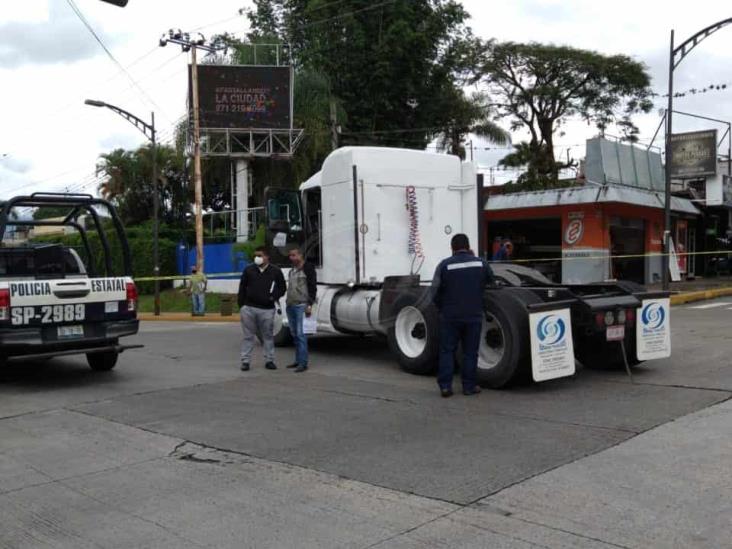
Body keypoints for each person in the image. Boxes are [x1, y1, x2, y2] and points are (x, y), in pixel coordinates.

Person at [431, 233, 494, 398]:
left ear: (452, 248)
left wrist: (441, 308)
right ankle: (469, 387)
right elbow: (491, 281)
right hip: (473, 316)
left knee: (447, 351)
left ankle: (445, 387)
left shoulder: (444, 265)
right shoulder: (481, 263)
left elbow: (434, 292)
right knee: (470, 352)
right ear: (469, 246)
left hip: (450, 316)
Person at [237, 246, 286, 372]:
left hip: (267, 309)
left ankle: (269, 360)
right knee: (248, 336)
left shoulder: (275, 271)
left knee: (268, 336)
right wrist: (242, 305)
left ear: (267, 256)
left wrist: (273, 297)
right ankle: (245, 361)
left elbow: (282, 287)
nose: (257, 258)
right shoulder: (249, 270)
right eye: (256, 255)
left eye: (259, 255)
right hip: (249, 308)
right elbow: (242, 287)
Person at [285, 246, 317, 373]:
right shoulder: (292, 271)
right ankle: (298, 360)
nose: (291, 258)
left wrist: (310, 304)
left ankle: (303, 363)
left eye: (293, 255)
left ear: (300, 255)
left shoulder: (308, 268)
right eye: (290, 255)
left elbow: (312, 287)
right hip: (291, 305)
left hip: (301, 306)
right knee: (294, 335)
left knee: (301, 334)